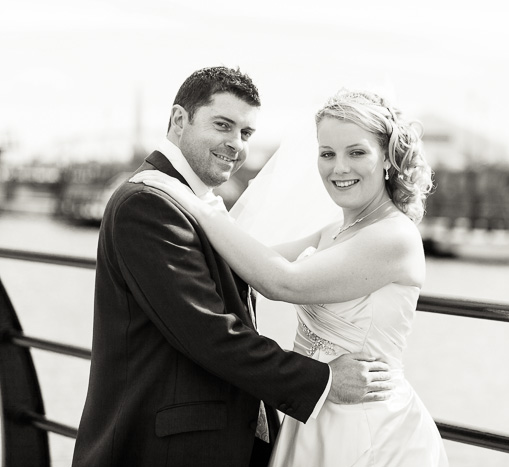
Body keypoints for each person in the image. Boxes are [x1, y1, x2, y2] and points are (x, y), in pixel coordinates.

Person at [72, 67, 394, 467]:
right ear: (178, 120)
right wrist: (323, 380)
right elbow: (209, 331)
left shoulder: (194, 200)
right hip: (167, 448)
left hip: (213, 439)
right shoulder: (148, 203)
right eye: (223, 125)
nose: (235, 145)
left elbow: (264, 272)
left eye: (246, 133)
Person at [131, 89, 450, 466]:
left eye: (357, 152)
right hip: (315, 410)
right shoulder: (333, 231)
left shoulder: (393, 237)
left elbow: (283, 282)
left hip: (367, 423)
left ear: (386, 159)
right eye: (327, 153)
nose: (339, 168)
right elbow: (245, 262)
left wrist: (191, 202)